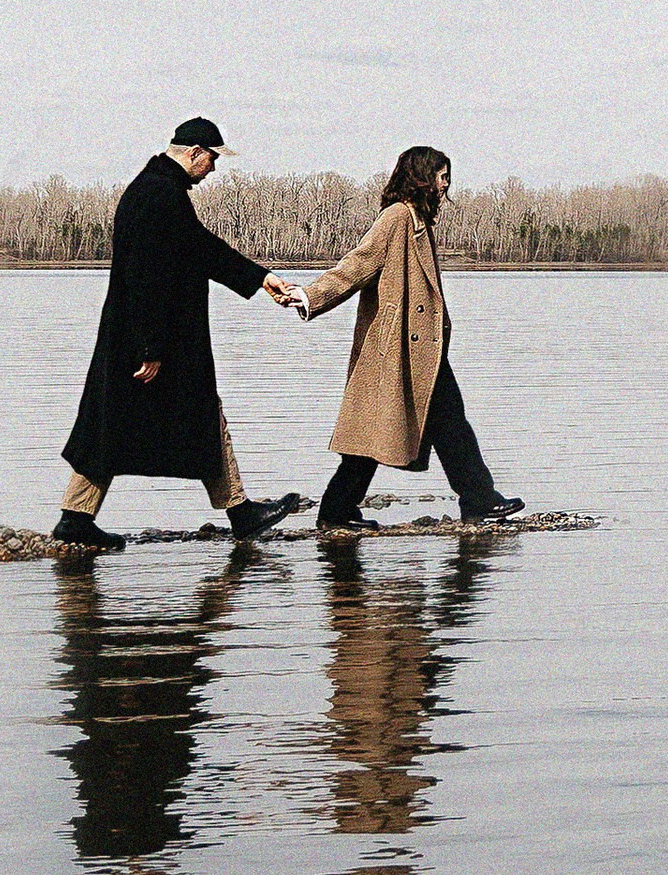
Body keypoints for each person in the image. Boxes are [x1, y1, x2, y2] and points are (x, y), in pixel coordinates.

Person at [54, 119, 307, 551]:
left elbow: (200, 249)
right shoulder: (159, 195)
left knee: (108, 426)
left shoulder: (156, 189)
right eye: (212, 159)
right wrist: (150, 348)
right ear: (193, 151)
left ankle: (76, 519)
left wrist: (262, 279)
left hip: (136, 335)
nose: (213, 169)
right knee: (200, 415)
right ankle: (241, 512)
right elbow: (145, 275)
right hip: (153, 340)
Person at [283, 145, 523, 533]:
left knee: (444, 423)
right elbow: (357, 265)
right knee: (376, 434)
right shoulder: (396, 218)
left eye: (448, 177)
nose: (446, 186)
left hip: (422, 350)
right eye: (441, 176)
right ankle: (337, 511)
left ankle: (477, 499)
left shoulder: (420, 222)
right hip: (395, 348)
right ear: (422, 178)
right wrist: (310, 295)